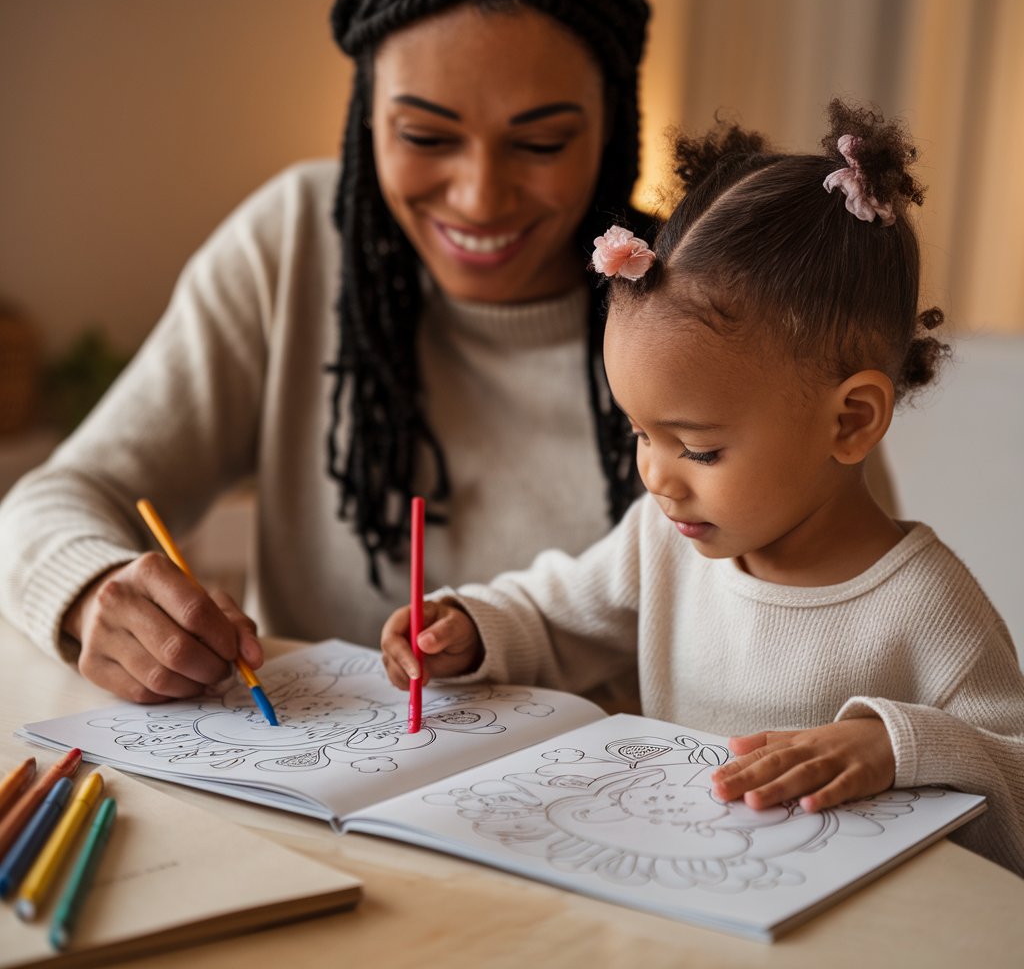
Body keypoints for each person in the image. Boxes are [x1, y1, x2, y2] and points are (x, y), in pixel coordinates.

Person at [379, 99, 1024, 876]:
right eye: (640, 435)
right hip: (681, 892)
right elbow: (553, 618)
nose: (655, 475)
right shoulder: (664, 544)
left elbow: (1014, 773)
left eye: (699, 449)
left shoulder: (926, 605)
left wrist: (896, 745)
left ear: (851, 420)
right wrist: (469, 630)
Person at [0, 0, 652, 703]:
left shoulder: (687, 296)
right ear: (366, 113)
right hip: (297, 812)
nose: (479, 198)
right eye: (425, 137)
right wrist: (93, 588)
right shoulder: (298, 243)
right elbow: (55, 497)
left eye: (541, 144)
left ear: (613, 119)